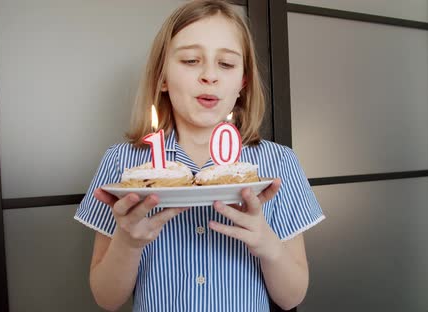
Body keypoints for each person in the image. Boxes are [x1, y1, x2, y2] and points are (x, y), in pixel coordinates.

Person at [74, 1, 325, 311]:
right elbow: (106, 299)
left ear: (242, 83)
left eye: (227, 64)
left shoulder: (279, 164)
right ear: (162, 77)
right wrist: (128, 243)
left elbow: (293, 297)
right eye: (191, 60)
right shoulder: (122, 164)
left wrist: (266, 243)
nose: (209, 75)